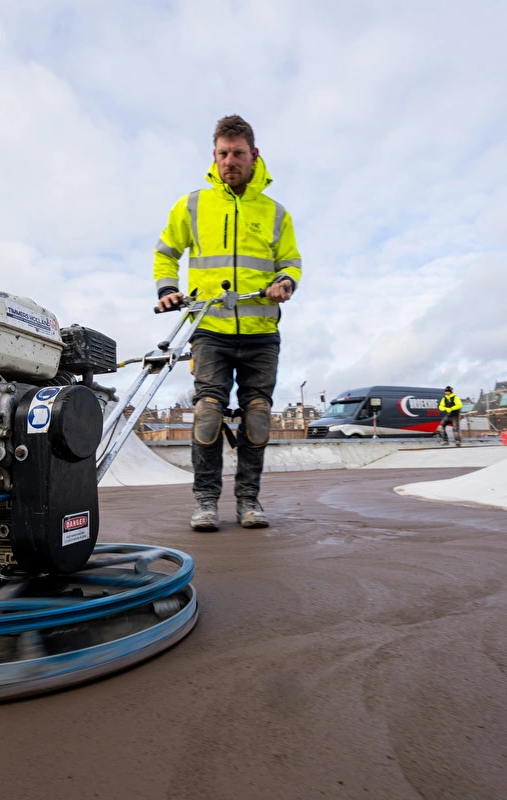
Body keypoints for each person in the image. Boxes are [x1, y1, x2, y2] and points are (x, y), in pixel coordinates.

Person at [153, 115, 302, 531]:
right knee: (207, 412)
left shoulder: (275, 213)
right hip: (210, 329)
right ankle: (205, 502)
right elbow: (166, 251)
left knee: (257, 415)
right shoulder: (194, 204)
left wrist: (284, 281)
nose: (229, 161)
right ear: (214, 156)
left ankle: (249, 501)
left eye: (238, 153)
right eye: (222, 154)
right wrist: (167, 288)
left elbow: (290, 261)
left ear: (255, 155)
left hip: (261, 332)